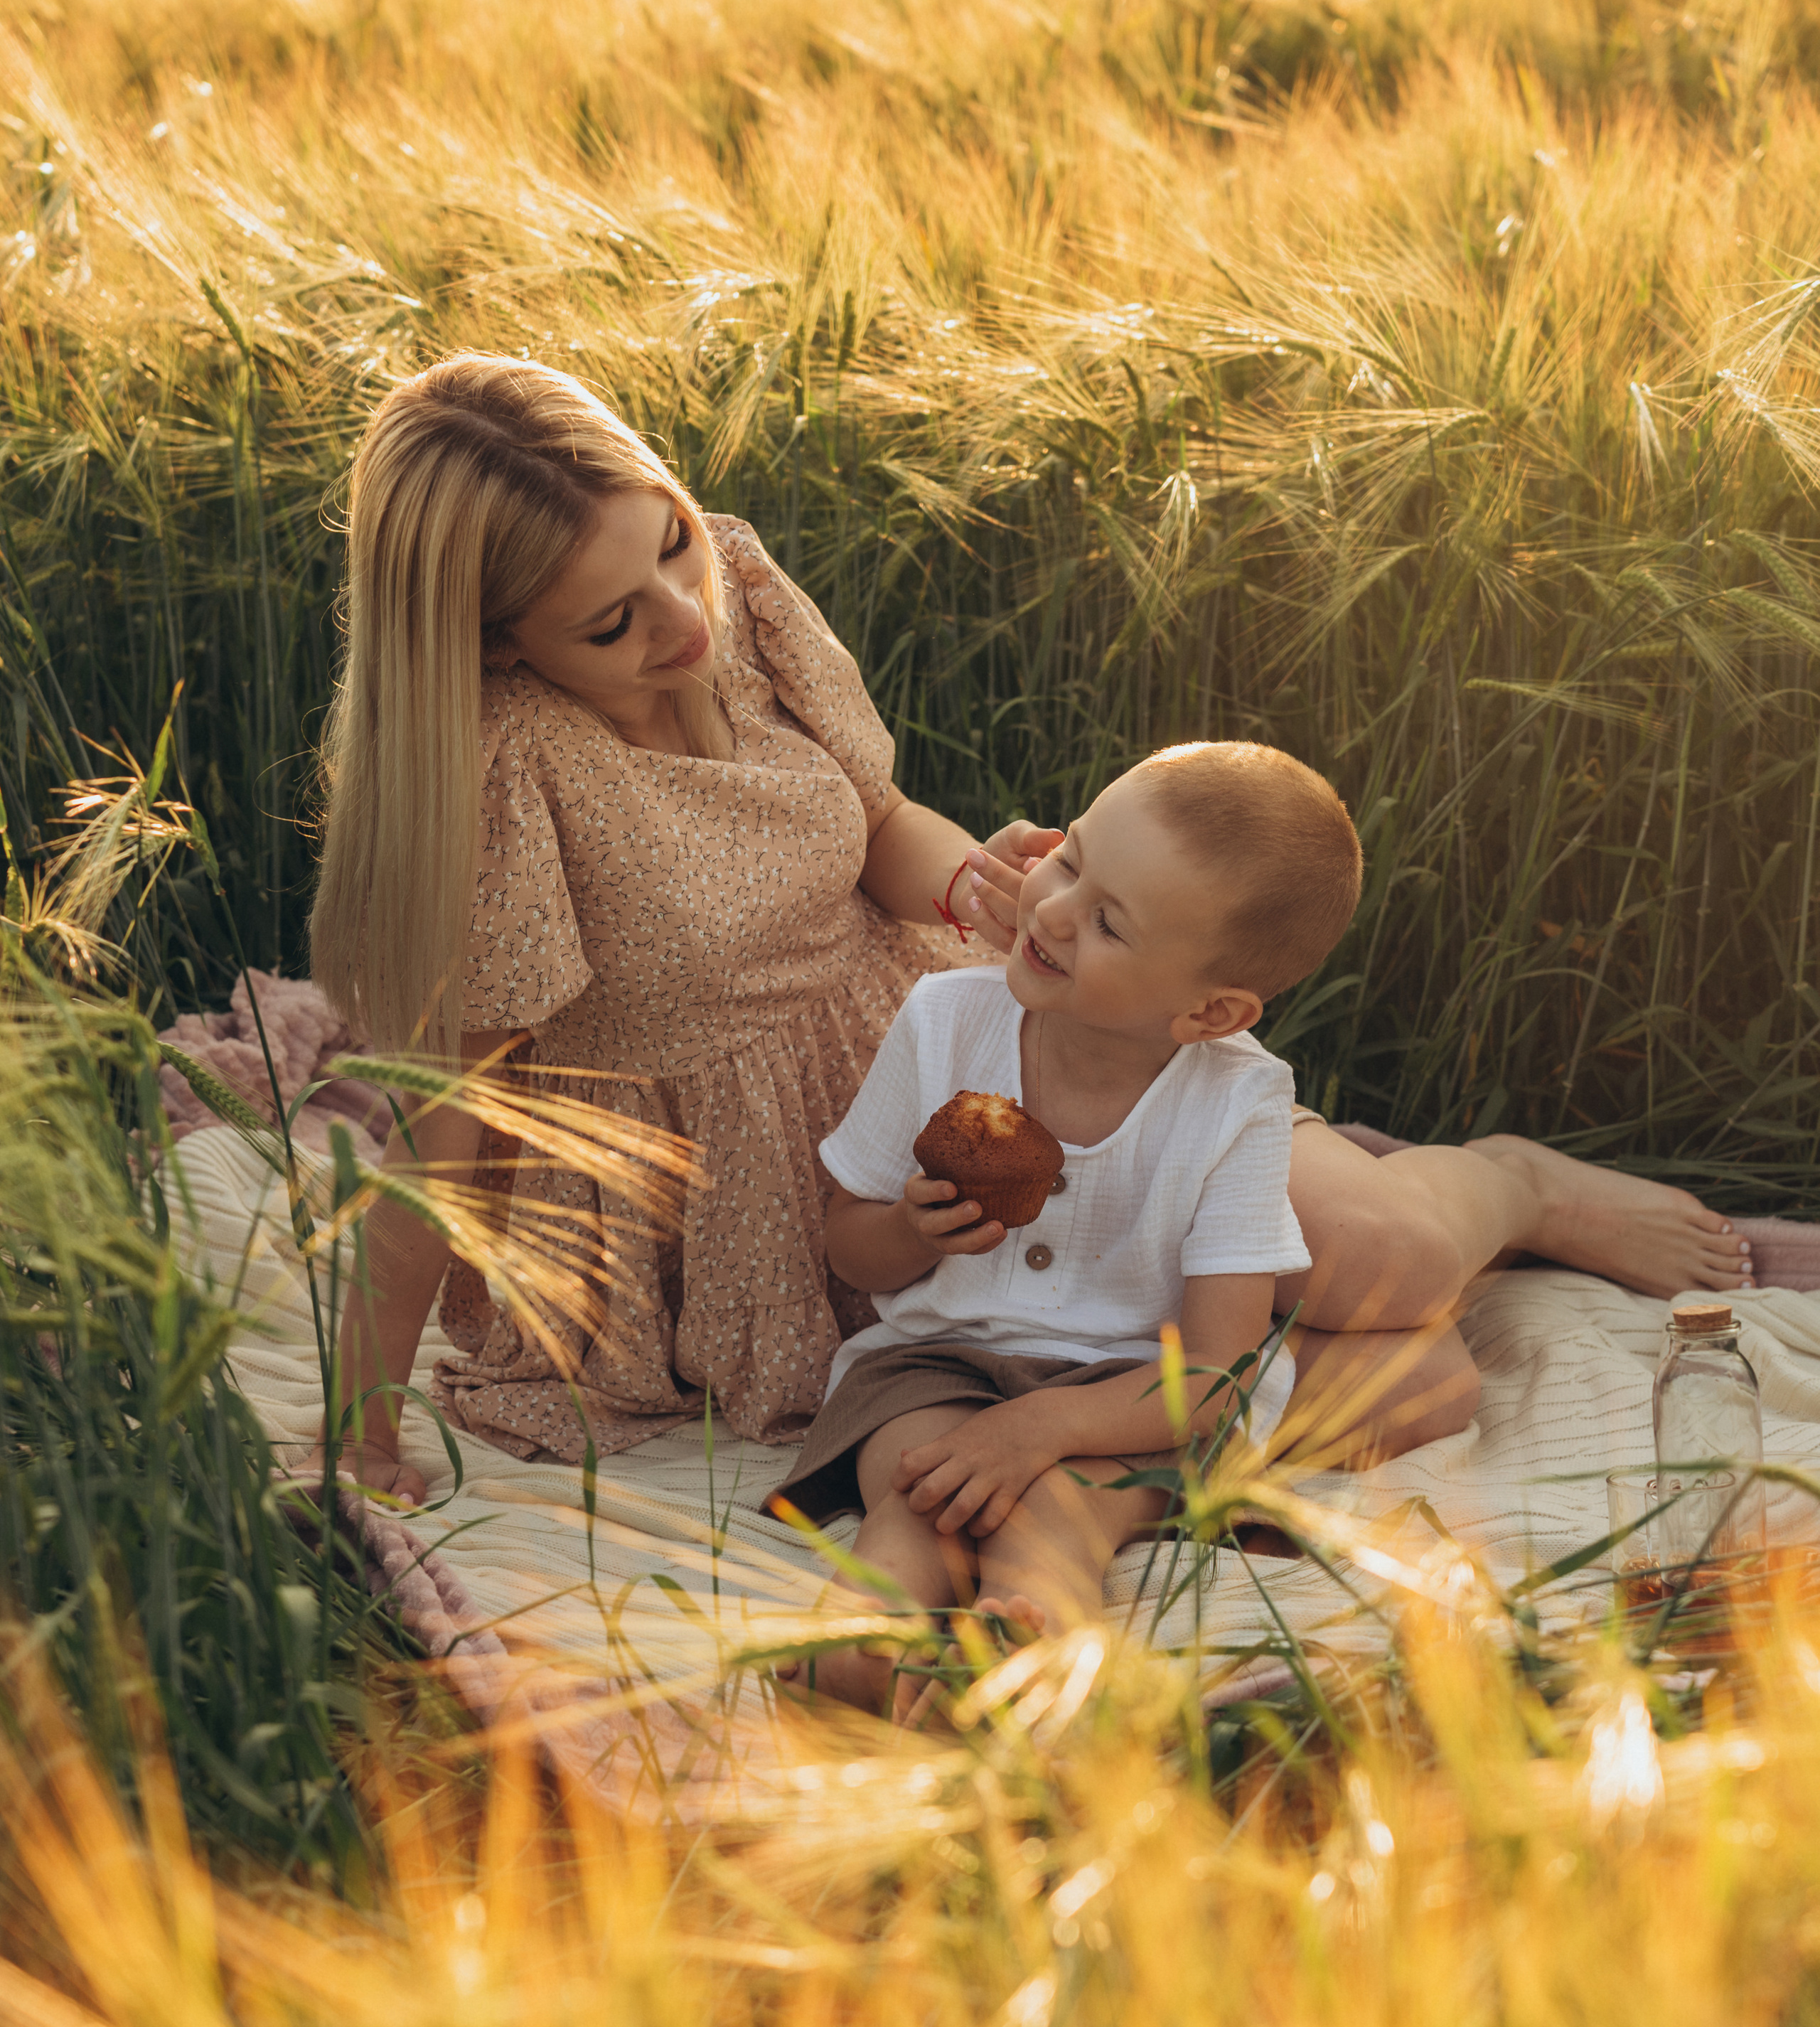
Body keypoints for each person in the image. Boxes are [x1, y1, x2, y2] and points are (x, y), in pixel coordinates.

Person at [303, 354, 1751, 1507]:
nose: (682, 617)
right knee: (1367, 1375)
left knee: (1389, 1264)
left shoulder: (730, 591)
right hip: (753, 1207)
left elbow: (868, 822)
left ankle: (1510, 1187)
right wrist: (359, 1421)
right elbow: (447, 1129)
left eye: (669, 543)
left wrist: (964, 896)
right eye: (611, 622)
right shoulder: (500, 770)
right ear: (498, 647)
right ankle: (1143, 1444)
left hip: (961, 1061)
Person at [771, 742, 1359, 1712]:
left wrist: (1040, 1425)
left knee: (1053, 1514)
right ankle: (859, 1644)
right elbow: (849, 1242)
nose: (1049, 909)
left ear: (1208, 1010)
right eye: (1072, 856)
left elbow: (1214, 1375)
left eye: (1108, 922)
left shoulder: (1240, 1103)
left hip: (1130, 1393)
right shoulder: (945, 1019)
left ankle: (1035, 1654)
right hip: (937, 1361)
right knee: (924, 1492)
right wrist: (917, 1231)